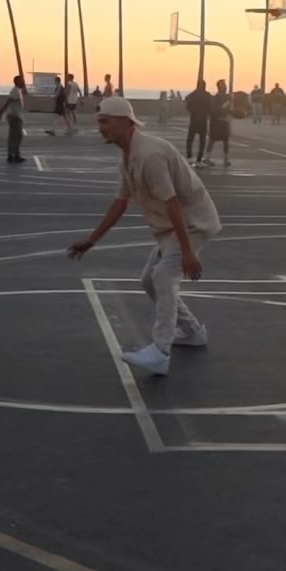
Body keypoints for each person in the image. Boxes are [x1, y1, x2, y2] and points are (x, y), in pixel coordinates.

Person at [68, 96, 221, 376]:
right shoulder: (127, 155)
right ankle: (193, 331)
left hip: (193, 224)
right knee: (148, 280)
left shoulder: (149, 155)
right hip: (172, 228)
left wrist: (187, 252)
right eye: (99, 122)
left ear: (126, 122)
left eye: (106, 121)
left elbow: (173, 202)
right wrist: (92, 240)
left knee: (163, 277)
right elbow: (120, 202)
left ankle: (161, 352)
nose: (100, 127)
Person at [0, 74, 26, 163]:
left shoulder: (18, 90)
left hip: (17, 116)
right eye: (21, 80)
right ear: (17, 81)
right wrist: (0, 112)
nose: (23, 81)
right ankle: (13, 155)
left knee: (16, 136)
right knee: (15, 136)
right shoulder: (15, 91)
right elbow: (8, 102)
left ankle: (14, 154)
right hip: (14, 116)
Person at [203, 79, 232, 168]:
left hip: (224, 121)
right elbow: (215, 110)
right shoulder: (216, 98)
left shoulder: (228, 97)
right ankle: (206, 158)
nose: (225, 87)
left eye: (225, 85)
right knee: (212, 140)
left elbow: (229, 109)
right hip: (216, 122)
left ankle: (226, 159)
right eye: (224, 85)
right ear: (219, 87)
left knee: (226, 140)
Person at [185, 80, 211, 168]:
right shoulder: (207, 95)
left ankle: (189, 157)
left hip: (194, 120)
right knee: (202, 141)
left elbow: (187, 100)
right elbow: (211, 106)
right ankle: (199, 159)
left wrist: (191, 110)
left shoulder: (194, 94)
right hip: (203, 120)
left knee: (190, 140)